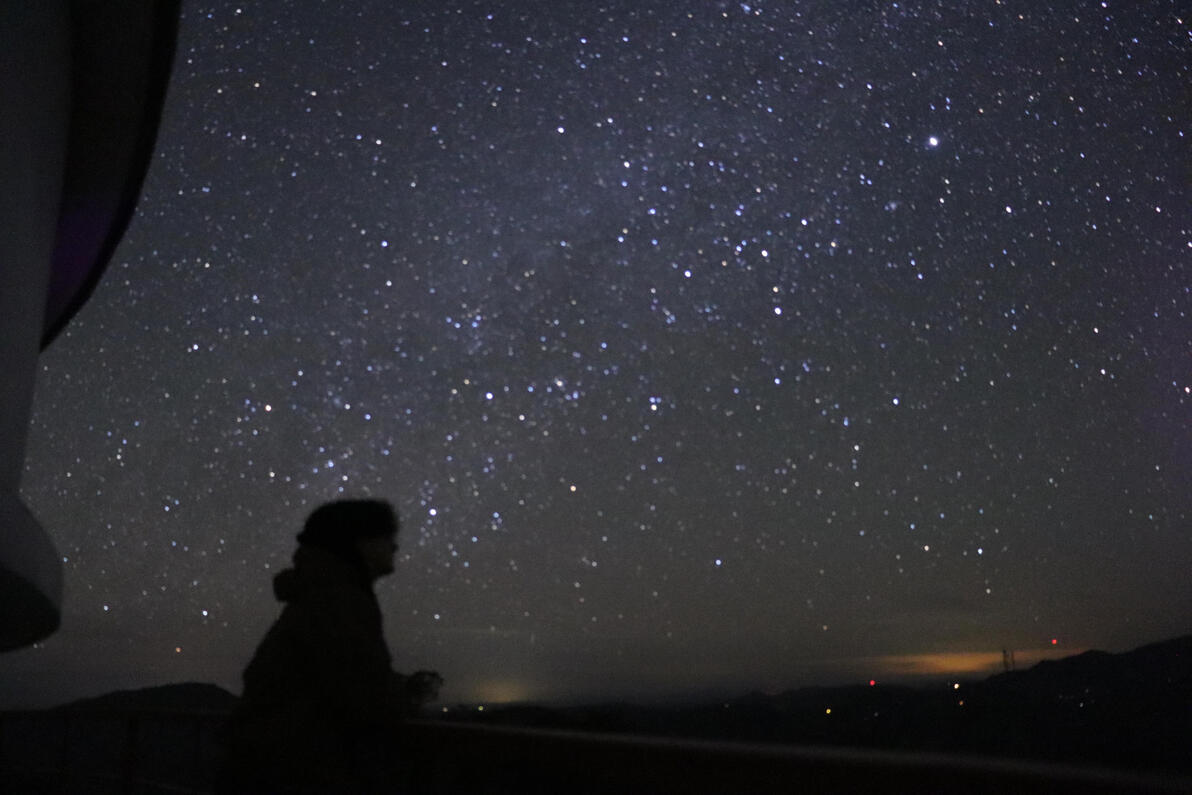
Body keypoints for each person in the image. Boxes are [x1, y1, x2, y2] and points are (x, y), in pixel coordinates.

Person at [220, 499, 442, 793]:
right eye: (386, 536)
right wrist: (408, 696)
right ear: (359, 543)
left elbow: (338, 676)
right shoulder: (338, 601)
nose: (395, 547)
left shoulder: (321, 596)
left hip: (268, 771)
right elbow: (359, 698)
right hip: (299, 776)